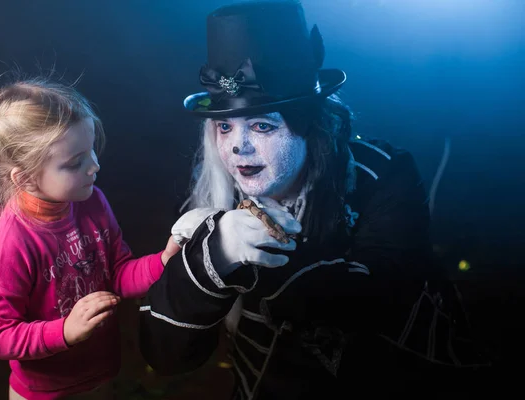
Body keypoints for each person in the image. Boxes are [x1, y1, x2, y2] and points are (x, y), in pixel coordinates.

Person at [139, 1, 489, 399]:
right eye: (224, 126)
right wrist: (209, 259)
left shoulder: (384, 177)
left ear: (310, 125)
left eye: (262, 125)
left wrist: (256, 256)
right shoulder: (206, 197)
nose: (238, 146)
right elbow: (166, 355)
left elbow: (381, 304)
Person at [0, 76, 179, 399]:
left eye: (91, 150)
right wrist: (64, 331)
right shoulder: (8, 245)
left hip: (100, 377)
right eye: (75, 162)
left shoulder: (92, 202)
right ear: (25, 178)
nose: (94, 166)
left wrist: (163, 263)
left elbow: (118, 273)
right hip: (44, 393)